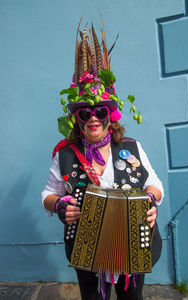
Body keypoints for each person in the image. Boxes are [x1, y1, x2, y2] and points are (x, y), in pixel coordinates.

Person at [41, 17, 164, 300]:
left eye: (100, 112)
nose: (93, 117)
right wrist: (59, 205)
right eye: (85, 113)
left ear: (111, 117)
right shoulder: (65, 155)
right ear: (77, 119)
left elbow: (154, 184)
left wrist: (151, 201)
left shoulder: (132, 147)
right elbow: (48, 194)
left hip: (133, 246)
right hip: (88, 251)